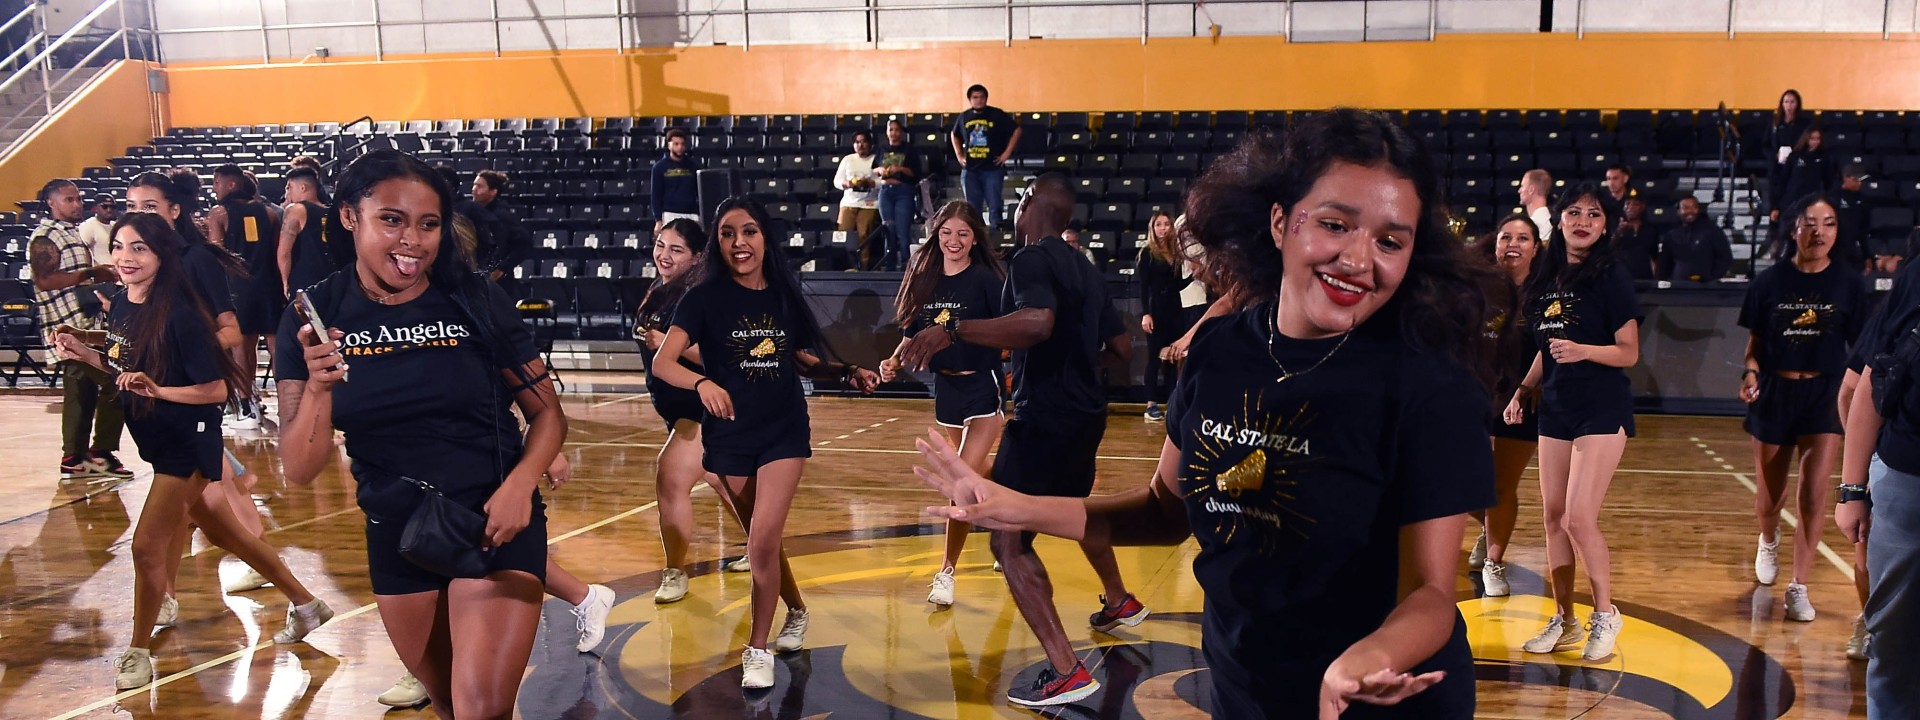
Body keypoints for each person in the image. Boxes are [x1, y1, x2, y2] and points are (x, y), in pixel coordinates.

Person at [912, 110, 1496, 716]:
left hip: (1382, 693)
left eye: (1389, 241)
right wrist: (1014, 506)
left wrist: (1367, 657)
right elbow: (1165, 512)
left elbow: (1430, 590)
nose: (1357, 257)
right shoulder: (1219, 351)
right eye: (1334, 224)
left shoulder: (1430, 385)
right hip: (1245, 685)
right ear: (1279, 222)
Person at [276, 150, 567, 717]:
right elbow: (298, 469)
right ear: (348, 217)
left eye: (427, 224)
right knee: (450, 708)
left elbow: (549, 414)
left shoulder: (476, 299)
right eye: (392, 219)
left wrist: (520, 486)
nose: (412, 240)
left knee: (482, 707)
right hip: (397, 531)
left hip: (492, 520)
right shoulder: (312, 317)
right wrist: (317, 387)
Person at [52, 212, 333, 690]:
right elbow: (127, 368)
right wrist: (85, 355)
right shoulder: (120, 304)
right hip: (158, 443)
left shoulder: (180, 313)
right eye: (119, 246)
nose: (126, 257)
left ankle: (137, 651)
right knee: (230, 536)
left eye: (139, 248)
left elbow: (214, 390)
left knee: (146, 547)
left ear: (162, 254)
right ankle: (308, 605)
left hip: (188, 442)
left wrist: (158, 391)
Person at [897, 173, 1147, 708]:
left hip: (1045, 419)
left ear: (1031, 205)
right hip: (1087, 414)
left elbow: (1037, 322)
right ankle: (1120, 601)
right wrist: (1075, 366)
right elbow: (1123, 349)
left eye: (1020, 200)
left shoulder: (1032, 258)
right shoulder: (1086, 267)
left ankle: (1065, 670)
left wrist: (955, 330)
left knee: (1007, 540)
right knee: (1078, 512)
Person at [650, 197, 881, 690]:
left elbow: (800, 358)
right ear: (717, 242)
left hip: (783, 430)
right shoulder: (703, 298)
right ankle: (797, 610)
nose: (739, 243)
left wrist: (845, 371)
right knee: (764, 541)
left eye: (749, 232)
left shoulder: (781, 293)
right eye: (729, 233)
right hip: (730, 433)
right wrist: (701, 384)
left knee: (759, 540)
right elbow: (663, 362)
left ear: (764, 238)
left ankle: (757, 648)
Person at [1504, 182, 1639, 662]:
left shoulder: (1612, 277)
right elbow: (1547, 348)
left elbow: (1629, 352)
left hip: (1601, 407)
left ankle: (1606, 615)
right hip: (1556, 407)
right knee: (1553, 519)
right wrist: (1523, 390)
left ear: (1605, 226)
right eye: (1574, 212)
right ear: (1559, 220)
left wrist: (1584, 352)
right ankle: (1564, 621)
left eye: (1594, 214)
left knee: (1579, 517)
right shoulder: (1546, 276)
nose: (1583, 221)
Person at [1738, 193, 1868, 623]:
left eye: (1828, 223)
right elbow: (1753, 348)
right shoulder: (1769, 282)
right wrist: (1751, 374)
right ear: (1794, 228)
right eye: (1810, 222)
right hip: (1775, 393)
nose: (1819, 231)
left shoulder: (1849, 282)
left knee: (1813, 496)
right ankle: (1768, 539)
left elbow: (1860, 348)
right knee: (1769, 498)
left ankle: (1799, 586)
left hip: (1824, 396)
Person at [879, 200, 1007, 607]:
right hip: (946, 391)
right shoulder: (926, 278)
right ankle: (1011, 524)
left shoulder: (986, 279)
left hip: (982, 388)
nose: (954, 241)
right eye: (947, 233)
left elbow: (1005, 328)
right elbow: (912, 334)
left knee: (960, 481)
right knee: (979, 471)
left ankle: (946, 571)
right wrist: (893, 360)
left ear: (975, 239)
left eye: (963, 234)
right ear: (936, 235)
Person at [633, 217, 733, 605]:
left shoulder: (704, 296)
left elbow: (722, 358)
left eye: (676, 249)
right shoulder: (659, 291)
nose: (664, 255)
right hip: (674, 409)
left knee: (671, 476)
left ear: (696, 258)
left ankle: (675, 571)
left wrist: (667, 345)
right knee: (725, 483)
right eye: (660, 245)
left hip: (704, 406)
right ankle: (765, 549)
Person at [30, 179, 128, 479]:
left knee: (81, 392)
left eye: (78, 199)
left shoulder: (70, 232)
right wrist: (92, 272)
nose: (77, 204)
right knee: (117, 381)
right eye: (69, 200)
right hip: (67, 327)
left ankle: (76, 456)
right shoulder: (45, 235)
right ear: (52, 203)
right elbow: (44, 280)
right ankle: (98, 451)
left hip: (87, 324)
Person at [1471, 214, 1541, 598]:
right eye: (1505, 237)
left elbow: (1550, 349)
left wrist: (1525, 390)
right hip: (1477, 395)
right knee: (1461, 481)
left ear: (1536, 247)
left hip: (1522, 400)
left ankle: (1494, 563)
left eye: (1522, 238)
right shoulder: (1478, 290)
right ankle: (1488, 527)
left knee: (1500, 486)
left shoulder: (1545, 292)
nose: (1512, 244)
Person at [205, 164, 284, 428]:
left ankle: (247, 406)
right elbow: (276, 252)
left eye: (216, 183)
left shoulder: (218, 213)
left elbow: (216, 255)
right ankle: (288, 405)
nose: (214, 188)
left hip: (239, 287)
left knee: (242, 347)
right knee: (277, 348)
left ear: (230, 184)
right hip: (269, 286)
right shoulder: (270, 213)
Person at [1135, 211, 1192, 423]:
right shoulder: (1147, 253)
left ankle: (1171, 402)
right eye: (1159, 224)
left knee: (1172, 357)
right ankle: (1151, 404)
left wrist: (1194, 276)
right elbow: (1143, 287)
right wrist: (1145, 314)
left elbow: (1176, 285)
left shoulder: (1175, 253)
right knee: (1154, 358)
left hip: (1174, 310)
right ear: (1153, 228)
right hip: (1155, 310)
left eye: (1166, 224)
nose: (1163, 228)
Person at [949, 85, 1022, 230]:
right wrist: (959, 154)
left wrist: (1006, 154)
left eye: (981, 97)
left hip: (992, 168)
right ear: (970, 100)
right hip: (970, 169)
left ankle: (996, 240)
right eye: (975, 97)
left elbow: (1017, 130)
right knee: (972, 209)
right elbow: (954, 134)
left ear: (986, 98)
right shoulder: (964, 117)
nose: (979, 100)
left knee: (995, 206)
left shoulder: (997, 114)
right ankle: (977, 239)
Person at [457, 169, 530, 298]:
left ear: (493, 192)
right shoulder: (472, 212)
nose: (474, 189)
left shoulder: (502, 216)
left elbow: (525, 243)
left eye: (479, 186)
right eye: (474, 185)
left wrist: (501, 268)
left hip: (499, 284)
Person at [876, 119, 925, 272]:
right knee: (888, 229)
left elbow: (916, 175)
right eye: (891, 130)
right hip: (885, 192)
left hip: (903, 191)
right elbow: (874, 169)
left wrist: (901, 169)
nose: (894, 133)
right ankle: (889, 265)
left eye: (897, 130)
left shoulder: (909, 150)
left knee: (903, 231)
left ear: (901, 132)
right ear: (887, 132)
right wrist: (880, 171)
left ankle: (906, 265)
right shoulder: (881, 148)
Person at [277, 168, 336, 296]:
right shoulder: (333, 212)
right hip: (333, 284)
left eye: (289, 188)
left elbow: (284, 252)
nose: (287, 193)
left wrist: (285, 282)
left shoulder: (296, 210)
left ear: (303, 188)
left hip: (305, 285)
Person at [1770, 128, 1839, 227]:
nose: (1815, 142)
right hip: (1792, 201)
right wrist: (1776, 206)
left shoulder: (1824, 158)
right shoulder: (1794, 156)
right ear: (1806, 138)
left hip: (1813, 202)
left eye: (1817, 139)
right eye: (1812, 138)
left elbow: (1829, 182)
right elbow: (1783, 181)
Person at [832, 129, 881, 263]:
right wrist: (845, 184)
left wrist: (871, 183)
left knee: (863, 236)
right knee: (842, 235)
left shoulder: (876, 159)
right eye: (857, 142)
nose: (860, 145)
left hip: (869, 203)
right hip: (848, 203)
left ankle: (863, 266)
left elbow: (883, 182)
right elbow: (836, 181)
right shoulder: (848, 159)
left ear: (870, 144)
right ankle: (844, 265)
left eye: (864, 142)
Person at [1658, 196, 1732, 283]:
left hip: (1706, 287)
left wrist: (1712, 278)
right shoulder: (1671, 235)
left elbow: (1725, 258)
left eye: (1694, 207)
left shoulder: (1712, 231)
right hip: (1678, 286)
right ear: (1678, 211)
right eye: (1686, 208)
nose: (1690, 211)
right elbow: (1665, 263)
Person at [1767, 90, 1814, 212]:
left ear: (1797, 104)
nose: (1789, 105)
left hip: (1796, 165)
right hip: (1778, 165)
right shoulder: (1775, 123)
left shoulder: (1804, 123)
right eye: (1786, 102)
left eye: (1792, 102)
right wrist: (1775, 155)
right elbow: (1766, 145)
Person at [651, 128, 702, 233]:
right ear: (669, 145)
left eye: (682, 144)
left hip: (691, 213)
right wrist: (658, 220)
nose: (680, 147)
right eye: (676, 144)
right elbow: (656, 195)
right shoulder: (659, 167)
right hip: (670, 213)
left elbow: (700, 192)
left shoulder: (693, 166)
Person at [1833, 163, 1870, 272]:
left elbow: (1864, 229)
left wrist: (1867, 256)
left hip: (1853, 250)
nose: (1859, 183)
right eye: (1856, 180)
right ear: (1846, 178)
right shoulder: (1833, 196)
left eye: (1861, 180)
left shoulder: (1863, 199)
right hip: (1835, 248)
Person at [1613, 196, 1656, 281]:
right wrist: (1619, 232)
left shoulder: (1650, 230)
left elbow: (1654, 257)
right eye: (1627, 204)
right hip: (1621, 277)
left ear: (1642, 207)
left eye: (1635, 204)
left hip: (1644, 277)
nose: (1630, 207)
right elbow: (1609, 247)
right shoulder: (1616, 227)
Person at [79, 194, 117, 265]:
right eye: (104, 207)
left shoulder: (115, 225)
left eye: (112, 207)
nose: (109, 210)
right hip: (100, 272)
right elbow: (82, 252)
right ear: (95, 208)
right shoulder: (88, 225)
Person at [1519, 169, 1554, 241]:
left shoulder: (1538, 224)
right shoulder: (1545, 221)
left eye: (1522, 186)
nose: (1519, 190)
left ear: (1531, 190)